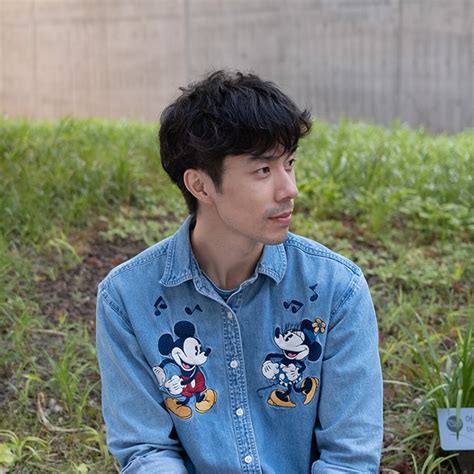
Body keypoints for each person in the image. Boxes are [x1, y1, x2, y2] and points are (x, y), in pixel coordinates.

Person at [96, 70, 383, 474]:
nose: (290, 189)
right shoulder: (127, 298)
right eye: (263, 170)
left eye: (289, 164)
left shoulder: (336, 289)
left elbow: (349, 458)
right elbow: (146, 450)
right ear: (200, 185)